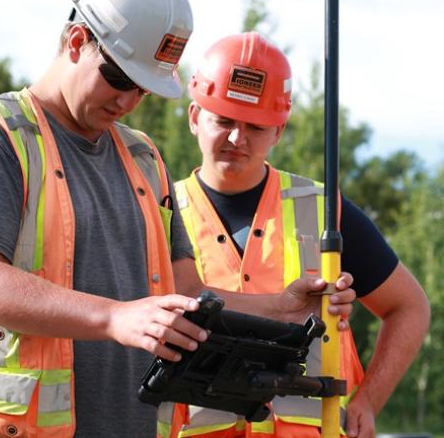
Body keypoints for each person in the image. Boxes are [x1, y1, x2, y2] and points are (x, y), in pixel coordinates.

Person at [0, 0, 356, 438]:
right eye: (118, 78)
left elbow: (184, 292)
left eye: (142, 89)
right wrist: (115, 316)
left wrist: (279, 308)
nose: (127, 101)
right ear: (77, 41)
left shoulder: (142, 158)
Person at [171, 32, 431, 438]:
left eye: (256, 126)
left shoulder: (324, 210)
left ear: (278, 132)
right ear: (193, 117)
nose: (237, 139)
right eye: (223, 120)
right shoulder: (157, 210)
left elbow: (410, 307)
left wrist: (368, 400)